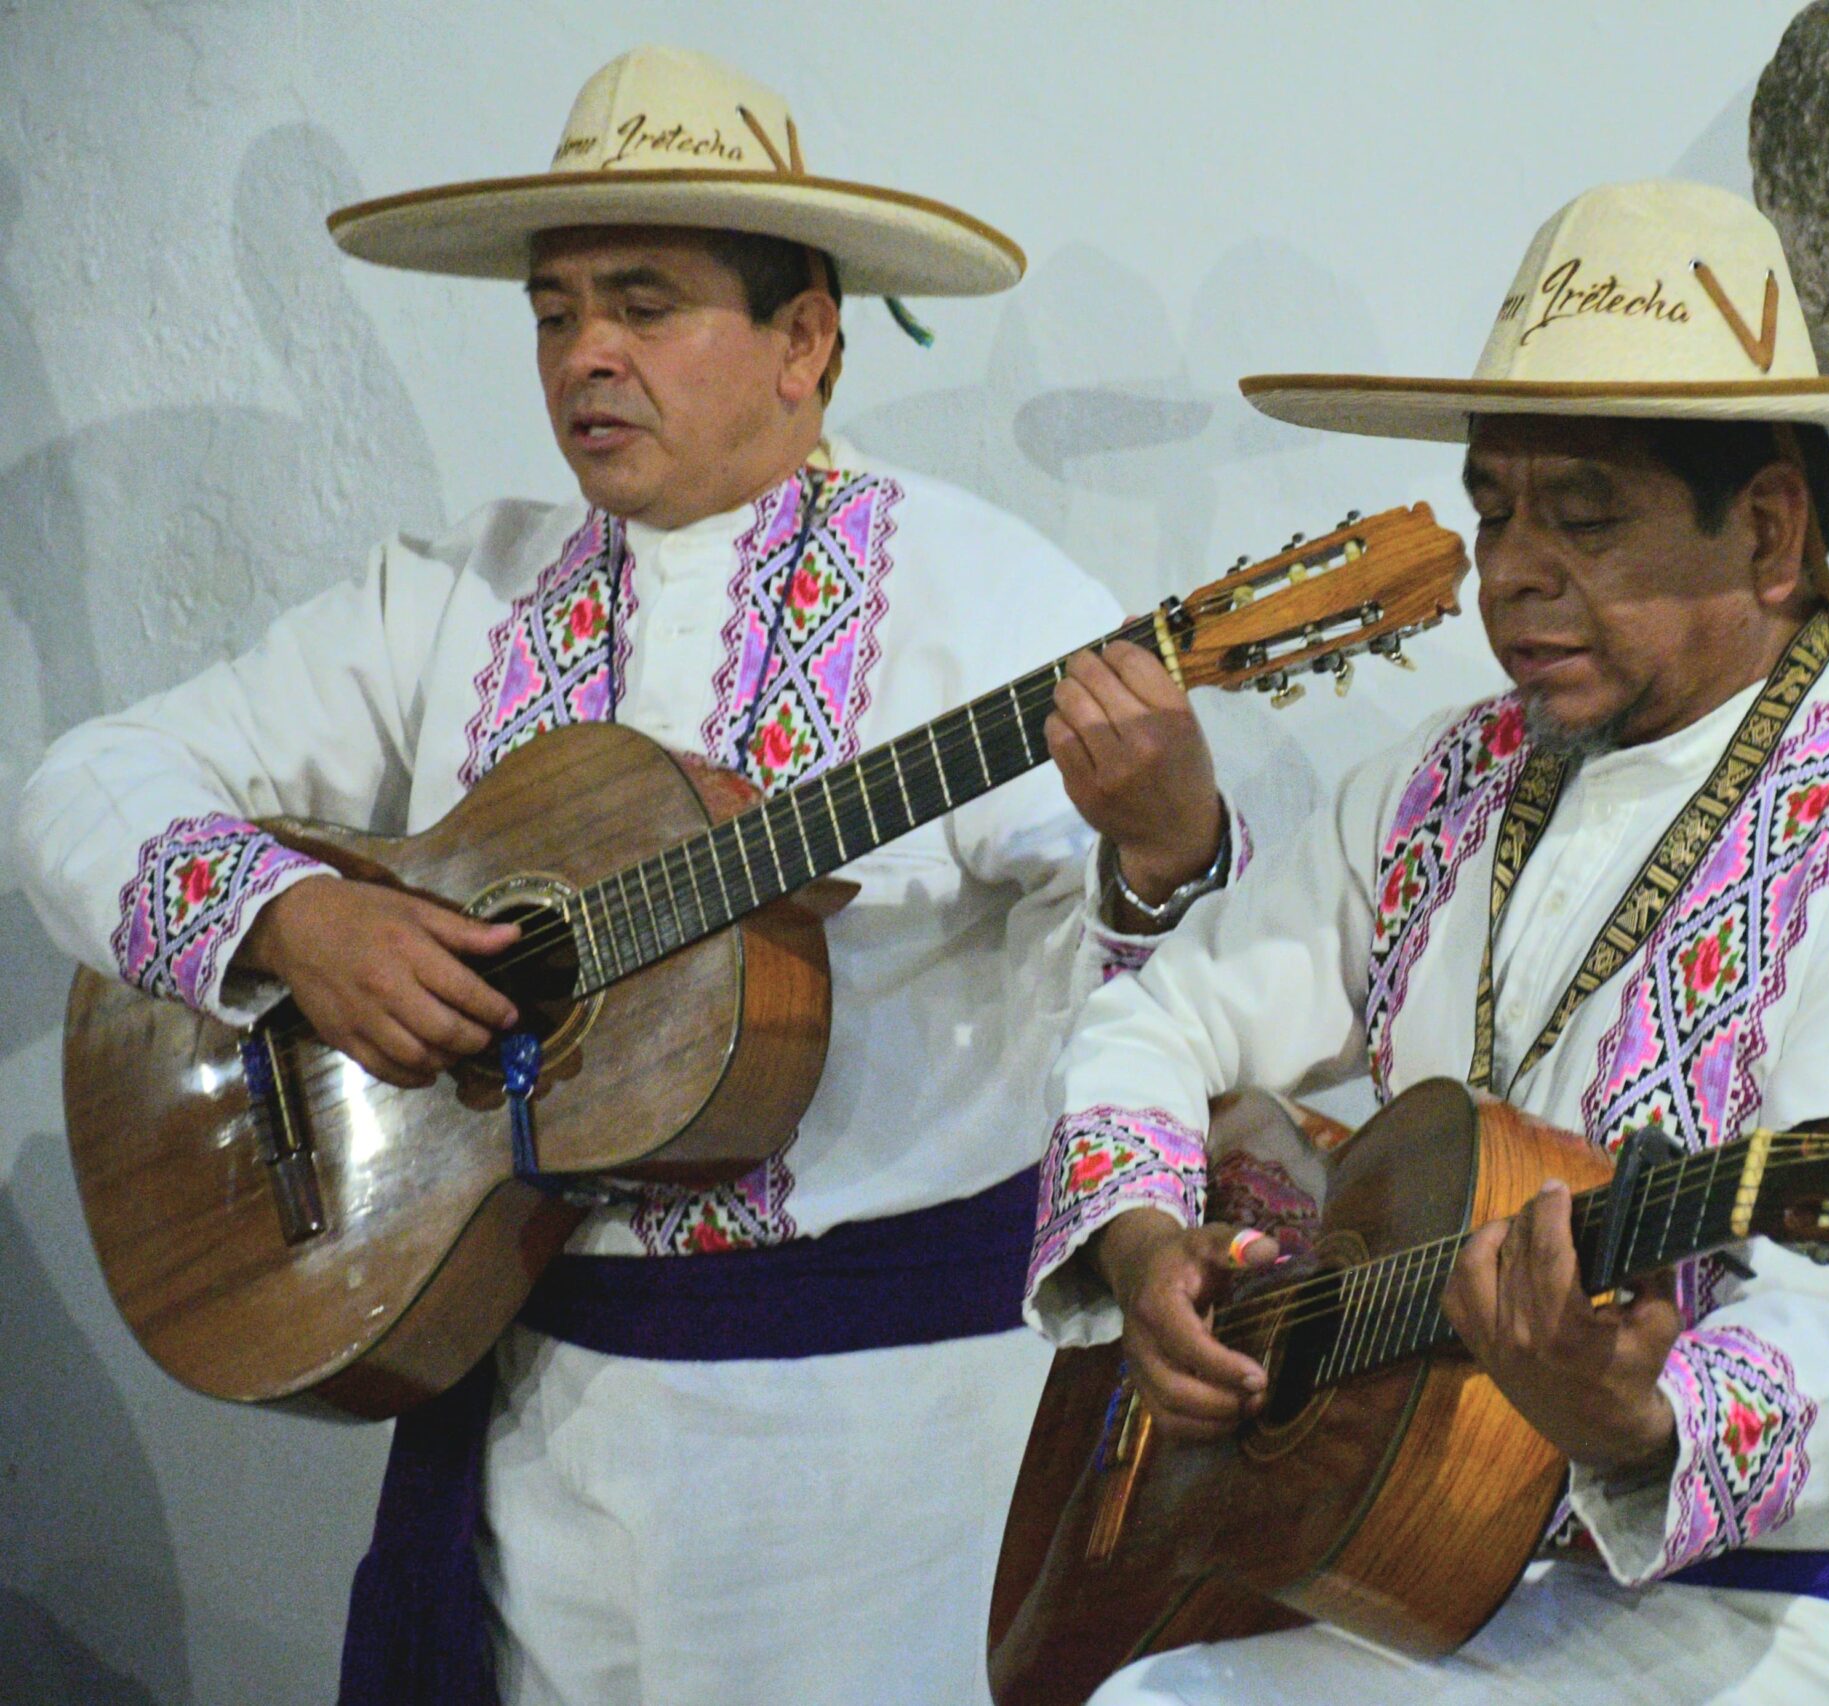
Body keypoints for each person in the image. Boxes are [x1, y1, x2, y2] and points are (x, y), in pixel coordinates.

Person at [14, 44, 1236, 1706]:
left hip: (872, 1469)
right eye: (553, 309)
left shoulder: (986, 600)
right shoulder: (457, 591)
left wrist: (1162, 846)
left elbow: (1159, 1003)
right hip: (526, 1434)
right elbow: (77, 788)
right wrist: (300, 920)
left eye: (645, 303)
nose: (586, 353)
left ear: (805, 337)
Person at [1024, 179, 1829, 1705]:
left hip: (1749, 1626)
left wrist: (1637, 1414)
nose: (1512, 568)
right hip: (1410, 1562)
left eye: (1584, 516)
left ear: (1771, 529)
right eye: (1496, 507)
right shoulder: (1443, 780)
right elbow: (1162, 1018)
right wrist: (1144, 1252)